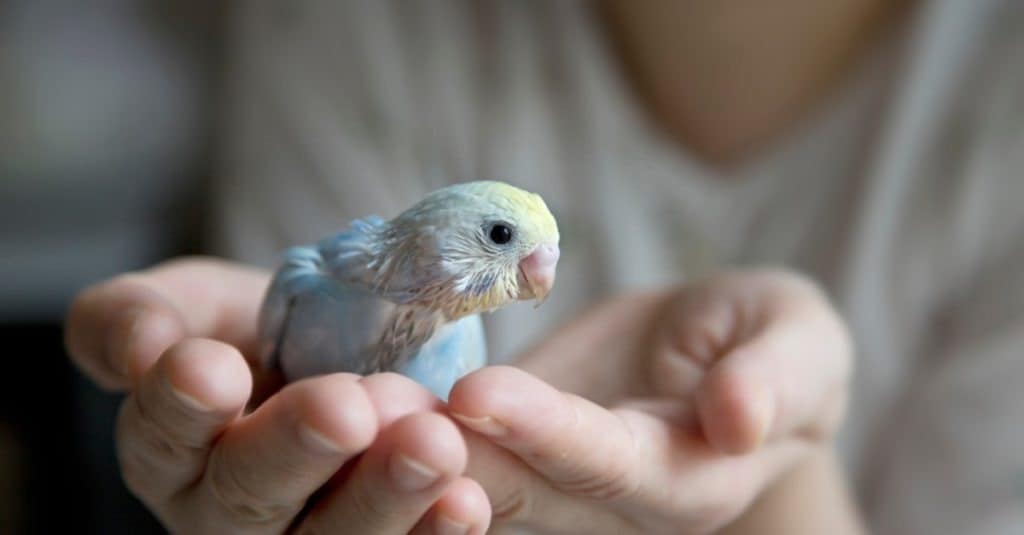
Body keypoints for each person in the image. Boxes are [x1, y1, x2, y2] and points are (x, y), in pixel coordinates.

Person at [64, 1, 1024, 533]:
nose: (533, 276)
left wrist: (774, 485)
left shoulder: (997, 112)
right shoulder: (358, 41)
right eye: (503, 243)